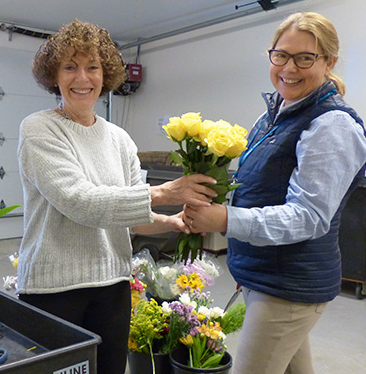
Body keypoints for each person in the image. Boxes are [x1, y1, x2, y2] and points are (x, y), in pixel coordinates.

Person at [16, 20, 217, 374]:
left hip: (113, 287)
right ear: (54, 75)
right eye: (70, 67)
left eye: (92, 67)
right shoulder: (39, 128)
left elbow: (129, 214)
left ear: (105, 73)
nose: (83, 78)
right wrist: (165, 192)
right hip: (54, 290)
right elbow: (80, 201)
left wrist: (173, 221)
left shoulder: (119, 139)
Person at [183, 12, 366, 374]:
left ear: (329, 62)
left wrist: (224, 219)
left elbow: (308, 216)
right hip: (266, 275)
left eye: (305, 58)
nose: (289, 67)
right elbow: (256, 186)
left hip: (288, 286)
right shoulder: (274, 115)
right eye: (281, 55)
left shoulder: (331, 125)